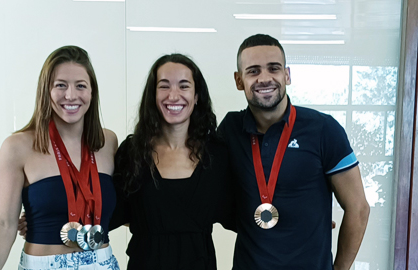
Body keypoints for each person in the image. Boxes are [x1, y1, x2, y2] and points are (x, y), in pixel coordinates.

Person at [217, 34, 370, 270]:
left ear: (287, 75)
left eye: (273, 68)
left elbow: (358, 208)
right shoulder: (230, 130)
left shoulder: (323, 129)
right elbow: (211, 193)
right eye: (253, 71)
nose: (264, 78)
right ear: (239, 80)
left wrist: (339, 269)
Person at [0, 46, 120, 270]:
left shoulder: (108, 142)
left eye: (81, 86)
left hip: (102, 262)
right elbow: (4, 223)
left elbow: (124, 207)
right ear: (46, 90)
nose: (71, 95)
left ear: (92, 92)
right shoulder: (18, 147)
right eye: (61, 85)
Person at [109, 53, 236, 270]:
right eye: (164, 86)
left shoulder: (218, 154)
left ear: (196, 96)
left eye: (184, 86)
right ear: (153, 95)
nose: (174, 95)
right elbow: (111, 211)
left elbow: (238, 211)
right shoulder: (132, 152)